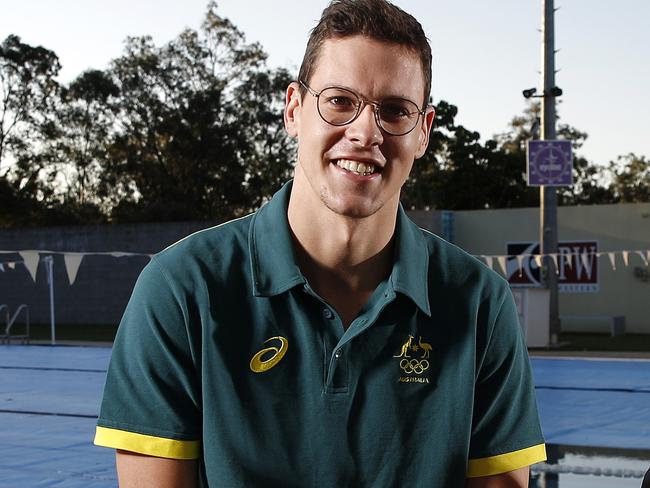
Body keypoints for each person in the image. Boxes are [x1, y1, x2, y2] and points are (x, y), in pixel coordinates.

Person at [94, 0, 547, 486]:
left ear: (424, 132)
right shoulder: (181, 289)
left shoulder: (479, 301)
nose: (364, 132)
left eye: (395, 111)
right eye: (339, 101)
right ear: (294, 109)